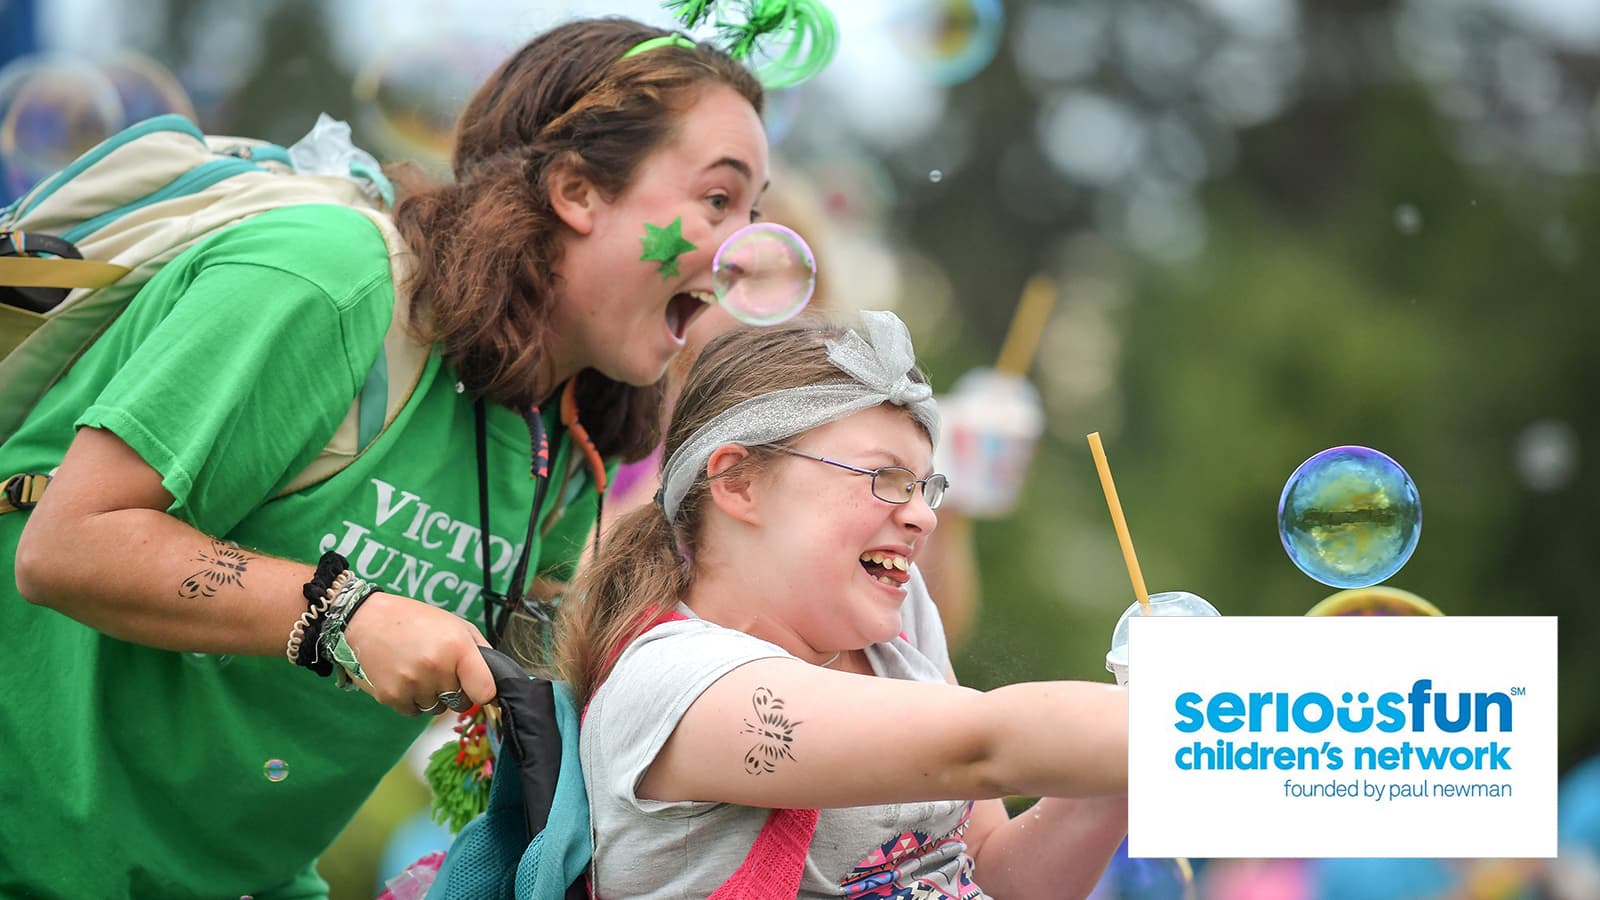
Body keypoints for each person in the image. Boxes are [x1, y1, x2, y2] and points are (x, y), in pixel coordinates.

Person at [0, 18, 769, 900]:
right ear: (578, 190)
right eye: (718, 200)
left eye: (756, 213)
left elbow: (566, 687)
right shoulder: (328, 282)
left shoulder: (564, 442)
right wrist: (347, 616)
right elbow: (65, 545)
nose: (744, 250)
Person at [552, 311, 1129, 899]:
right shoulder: (671, 680)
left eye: (925, 486)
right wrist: (1191, 712)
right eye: (885, 477)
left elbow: (985, 872)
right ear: (738, 483)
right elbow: (983, 748)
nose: (923, 516)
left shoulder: (899, 624)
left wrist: (1130, 778)